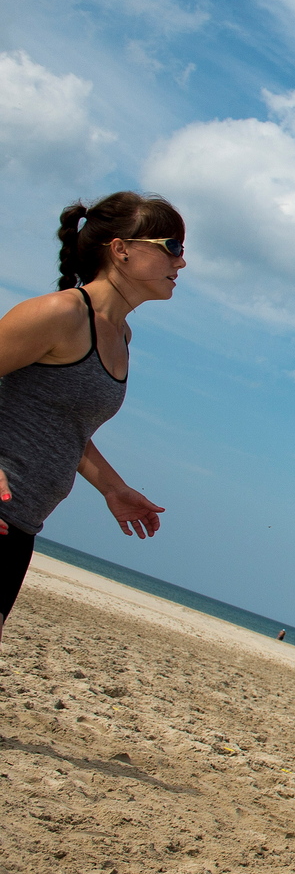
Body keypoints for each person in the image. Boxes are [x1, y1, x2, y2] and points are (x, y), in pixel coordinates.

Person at [0, 194, 181, 641]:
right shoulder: (61, 313)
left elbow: (62, 424)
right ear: (121, 249)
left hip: (22, 525)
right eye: (171, 245)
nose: (182, 261)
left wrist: (113, 488)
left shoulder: (121, 334)